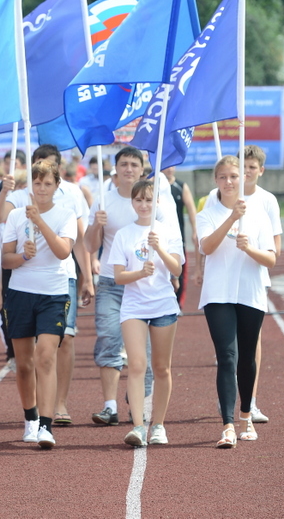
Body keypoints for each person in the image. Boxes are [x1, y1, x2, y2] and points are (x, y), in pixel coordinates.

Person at [198, 155, 276, 448]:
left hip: (249, 293)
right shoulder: (207, 212)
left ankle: (246, 415)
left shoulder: (257, 213)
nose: (229, 182)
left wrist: (251, 249)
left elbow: (271, 258)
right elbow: (206, 247)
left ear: (242, 178)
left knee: (245, 357)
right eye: (223, 177)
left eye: (233, 176)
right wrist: (231, 218)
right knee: (227, 356)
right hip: (218, 294)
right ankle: (228, 426)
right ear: (215, 180)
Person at [1, 160, 77, 449]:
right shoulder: (16, 216)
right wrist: (22, 256)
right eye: (37, 183)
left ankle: (46, 425)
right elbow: (5, 259)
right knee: (24, 364)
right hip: (20, 292)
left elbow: (62, 252)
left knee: (46, 356)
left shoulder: (65, 214)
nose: (42, 188)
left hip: (54, 293)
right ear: (29, 186)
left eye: (47, 183)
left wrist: (40, 222)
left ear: (57, 185)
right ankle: (30, 417)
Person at [85, 147, 158, 426]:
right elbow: (90, 245)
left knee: (145, 348)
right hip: (111, 281)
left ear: (142, 169)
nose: (128, 169)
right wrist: (96, 225)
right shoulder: (104, 201)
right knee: (108, 337)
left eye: (133, 164)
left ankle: (140, 406)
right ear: (115, 169)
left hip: (145, 284)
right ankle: (110, 406)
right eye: (123, 164)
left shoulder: (153, 202)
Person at [108, 180, 184, 447]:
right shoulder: (124, 234)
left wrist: (160, 247)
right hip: (134, 307)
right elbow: (118, 277)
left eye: (149, 200)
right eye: (139, 200)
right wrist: (140, 272)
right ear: (132, 202)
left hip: (163, 305)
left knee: (161, 367)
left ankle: (159, 425)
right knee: (137, 365)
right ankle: (138, 426)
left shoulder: (168, 232)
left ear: (157, 203)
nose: (144, 205)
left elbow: (177, 269)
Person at [162, 166, 199, 306]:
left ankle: (178, 303)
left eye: (172, 166)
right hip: (159, 237)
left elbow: (191, 208)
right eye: (167, 166)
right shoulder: (154, 185)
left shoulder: (181, 186)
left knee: (180, 270)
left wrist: (195, 230)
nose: (170, 169)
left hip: (178, 237)